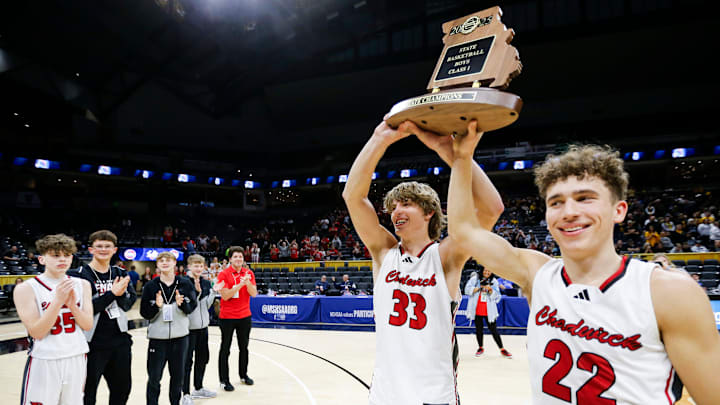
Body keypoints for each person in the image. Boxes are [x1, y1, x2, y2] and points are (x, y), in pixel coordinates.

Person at [447, 136, 720, 404]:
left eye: (585, 198)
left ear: (619, 210)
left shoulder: (669, 292)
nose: (569, 212)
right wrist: (460, 156)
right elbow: (463, 230)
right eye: (556, 202)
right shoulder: (537, 274)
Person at [342, 118, 503, 405]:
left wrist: (449, 150)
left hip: (434, 396)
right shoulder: (384, 252)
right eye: (393, 207)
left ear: (430, 212)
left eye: (405, 204)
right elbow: (353, 197)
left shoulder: (445, 256)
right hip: (385, 395)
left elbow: (491, 208)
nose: (395, 211)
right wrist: (379, 138)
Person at [13, 234, 93, 405]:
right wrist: (57, 301)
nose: (62, 259)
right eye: (56, 255)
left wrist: (72, 306)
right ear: (42, 259)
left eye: (66, 255)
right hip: (45, 358)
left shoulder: (82, 284)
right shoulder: (26, 288)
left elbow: (87, 325)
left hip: (76, 355)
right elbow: (37, 332)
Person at [70, 230, 137, 405]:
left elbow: (128, 305)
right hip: (91, 343)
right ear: (91, 249)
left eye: (108, 246)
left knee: (122, 389)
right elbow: (84, 310)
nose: (103, 249)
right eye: (99, 246)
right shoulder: (78, 275)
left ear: (115, 250)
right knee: (87, 392)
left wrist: (119, 295)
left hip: (120, 341)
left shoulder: (120, 273)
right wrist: (112, 293)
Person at [140, 252, 197, 405]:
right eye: (161, 260)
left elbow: (192, 307)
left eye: (168, 260)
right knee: (154, 378)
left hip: (180, 338)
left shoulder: (185, 283)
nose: (165, 263)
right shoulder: (150, 286)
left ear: (174, 264)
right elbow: (144, 313)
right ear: (157, 265)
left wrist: (182, 304)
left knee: (178, 377)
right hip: (157, 339)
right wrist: (156, 307)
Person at [215, 247, 257, 391]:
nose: (238, 259)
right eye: (235, 257)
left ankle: (243, 375)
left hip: (245, 316)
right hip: (227, 317)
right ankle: (224, 380)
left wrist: (248, 283)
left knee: (244, 347)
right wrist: (240, 284)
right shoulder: (223, 274)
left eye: (240, 256)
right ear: (230, 259)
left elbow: (254, 293)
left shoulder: (249, 273)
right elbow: (225, 295)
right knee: (225, 348)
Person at [182, 255, 217, 402]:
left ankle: (198, 387)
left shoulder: (206, 283)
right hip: (188, 329)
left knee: (203, 358)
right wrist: (197, 293)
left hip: (203, 328)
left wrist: (214, 292)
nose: (198, 268)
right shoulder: (183, 283)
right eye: (195, 265)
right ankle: (185, 393)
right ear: (189, 267)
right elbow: (187, 307)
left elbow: (206, 305)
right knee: (187, 362)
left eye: (200, 266)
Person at [464, 269, 512, 358]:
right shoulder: (475, 279)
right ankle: (480, 347)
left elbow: (498, 296)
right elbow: (466, 290)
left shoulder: (494, 281)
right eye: (485, 270)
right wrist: (478, 288)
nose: (487, 273)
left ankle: (502, 349)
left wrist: (490, 290)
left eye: (489, 271)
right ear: (482, 270)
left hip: (488, 309)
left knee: (494, 330)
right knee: (479, 329)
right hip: (477, 308)